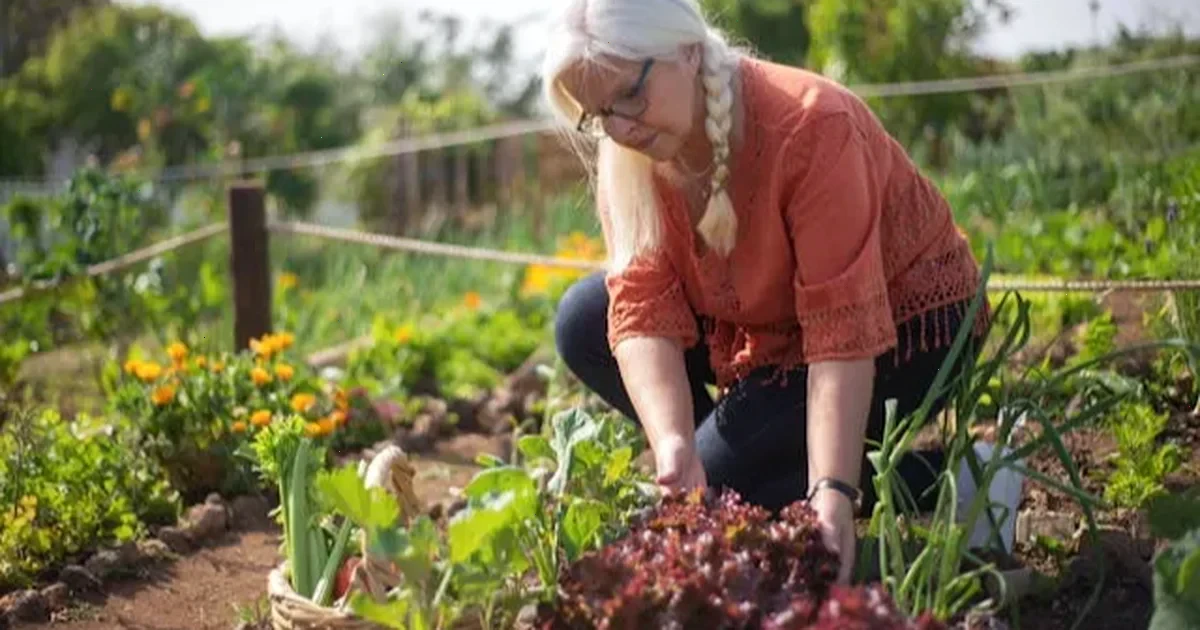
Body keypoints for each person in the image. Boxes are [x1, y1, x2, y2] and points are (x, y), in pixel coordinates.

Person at [541, 0, 995, 584]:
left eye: (629, 96)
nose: (621, 128)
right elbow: (642, 303)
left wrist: (832, 492)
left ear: (684, 50)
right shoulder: (629, 153)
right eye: (599, 114)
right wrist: (675, 443)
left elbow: (842, 329)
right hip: (774, 327)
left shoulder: (811, 125)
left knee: (733, 482)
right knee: (584, 319)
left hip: (908, 326)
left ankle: (957, 475)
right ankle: (741, 472)